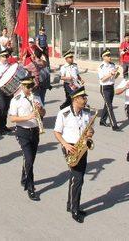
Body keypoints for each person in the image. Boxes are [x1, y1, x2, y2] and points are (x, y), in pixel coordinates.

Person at [54, 86, 94, 223]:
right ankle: (75, 209)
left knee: (77, 177)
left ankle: (70, 204)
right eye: (83, 97)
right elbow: (57, 133)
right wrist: (65, 144)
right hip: (70, 147)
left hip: (82, 146)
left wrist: (90, 133)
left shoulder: (86, 113)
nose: (85, 99)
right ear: (75, 99)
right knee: (77, 178)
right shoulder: (63, 113)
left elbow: (90, 129)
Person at [8, 75, 45, 201]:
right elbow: (12, 118)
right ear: (22, 86)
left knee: (31, 159)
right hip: (22, 132)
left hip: (35, 131)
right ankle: (31, 188)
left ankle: (24, 177)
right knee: (29, 160)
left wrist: (40, 110)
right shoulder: (16, 100)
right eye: (28, 86)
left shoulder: (36, 97)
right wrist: (28, 117)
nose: (30, 88)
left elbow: (44, 113)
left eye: (31, 86)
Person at [98, 49, 120, 131]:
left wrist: (116, 73)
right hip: (104, 88)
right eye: (108, 56)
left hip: (111, 86)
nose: (110, 57)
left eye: (110, 55)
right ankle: (114, 125)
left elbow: (115, 77)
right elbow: (102, 79)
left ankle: (102, 120)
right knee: (109, 106)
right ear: (103, 57)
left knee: (107, 105)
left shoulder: (112, 64)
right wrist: (111, 74)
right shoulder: (101, 67)